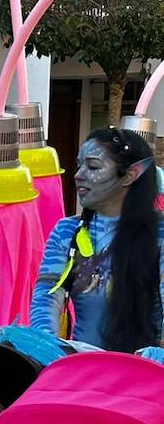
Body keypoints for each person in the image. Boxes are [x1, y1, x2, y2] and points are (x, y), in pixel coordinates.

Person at [32, 127, 164, 352]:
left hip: (145, 373)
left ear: (130, 175)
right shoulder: (67, 231)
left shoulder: (159, 232)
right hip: (82, 370)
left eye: (93, 167)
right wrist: (47, 348)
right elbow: (46, 297)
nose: (78, 174)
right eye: (79, 164)